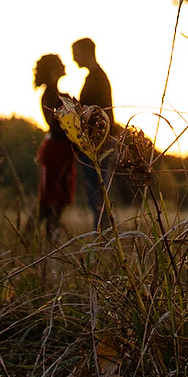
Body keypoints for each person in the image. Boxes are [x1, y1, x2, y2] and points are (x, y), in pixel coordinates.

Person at [71, 36, 115, 230]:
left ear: (87, 52)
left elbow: (98, 114)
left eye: (76, 54)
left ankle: (103, 234)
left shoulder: (97, 79)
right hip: (96, 144)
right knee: (97, 192)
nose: (74, 59)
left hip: (97, 145)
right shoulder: (95, 77)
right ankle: (103, 233)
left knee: (97, 193)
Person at [33, 53, 76, 239]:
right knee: (52, 199)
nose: (64, 66)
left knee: (54, 199)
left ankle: (43, 237)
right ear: (52, 71)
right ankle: (38, 237)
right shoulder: (52, 96)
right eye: (60, 64)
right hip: (57, 150)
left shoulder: (54, 95)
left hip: (60, 149)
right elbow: (57, 125)